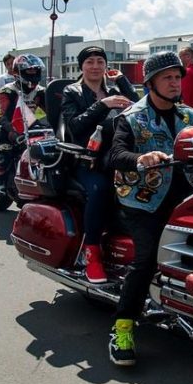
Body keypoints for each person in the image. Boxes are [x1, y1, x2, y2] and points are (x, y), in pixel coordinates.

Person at [107, 51, 193, 366]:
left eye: (177, 77)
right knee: (147, 258)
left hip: (189, 197)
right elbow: (115, 155)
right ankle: (122, 328)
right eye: (167, 78)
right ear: (150, 83)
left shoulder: (190, 116)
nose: (175, 83)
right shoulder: (132, 117)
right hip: (144, 200)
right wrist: (140, 158)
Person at [62, 46, 138, 283]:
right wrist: (103, 104)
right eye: (90, 62)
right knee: (100, 189)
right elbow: (74, 126)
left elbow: (141, 110)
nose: (95, 66)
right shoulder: (72, 91)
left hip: (118, 156)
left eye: (100, 62)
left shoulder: (114, 90)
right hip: (87, 160)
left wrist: (123, 82)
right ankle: (92, 253)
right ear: (81, 66)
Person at [0, 54, 47, 192]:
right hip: (6, 126)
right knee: (6, 150)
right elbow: (4, 116)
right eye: (29, 70)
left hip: (29, 125)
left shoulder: (40, 91)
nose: (33, 73)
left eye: (35, 70)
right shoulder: (9, 90)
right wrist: (13, 132)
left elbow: (51, 112)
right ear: (19, 72)